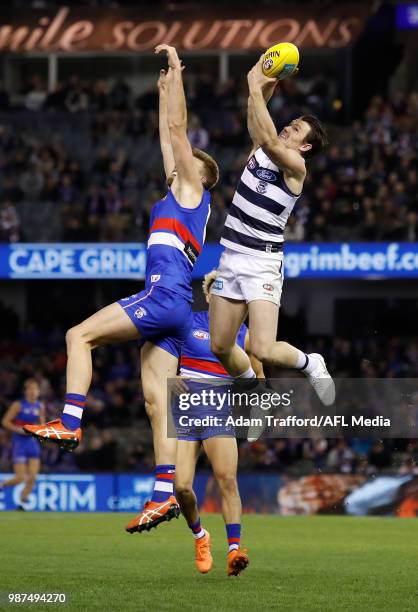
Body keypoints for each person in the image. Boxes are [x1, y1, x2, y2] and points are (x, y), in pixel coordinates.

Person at [24, 45, 219, 533]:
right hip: (179, 309)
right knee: (157, 404)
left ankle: (69, 421)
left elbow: (177, 133)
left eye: (185, 160)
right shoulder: (183, 195)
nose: (175, 161)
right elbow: (165, 136)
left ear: (199, 172)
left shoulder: (193, 186)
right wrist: (160, 95)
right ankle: (161, 494)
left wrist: (176, 77)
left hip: (164, 295)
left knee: (77, 336)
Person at [209, 58, 335, 405]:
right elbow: (257, 114)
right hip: (231, 256)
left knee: (262, 348)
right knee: (220, 345)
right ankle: (254, 389)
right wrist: (268, 78)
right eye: (291, 123)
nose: (288, 128)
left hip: (262, 263)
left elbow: (266, 135)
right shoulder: (262, 149)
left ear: (305, 146)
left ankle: (311, 363)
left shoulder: (296, 166)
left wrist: (255, 83)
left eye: (296, 130)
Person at [173, 270, 264, 576]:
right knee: (181, 487)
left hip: (216, 411)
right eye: (218, 291)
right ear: (209, 295)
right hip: (184, 411)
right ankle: (200, 536)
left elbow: (259, 379)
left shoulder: (242, 333)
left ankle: (234, 549)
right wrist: (169, 381)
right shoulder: (187, 322)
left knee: (227, 480)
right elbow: (159, 358)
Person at [1, 379, 44, 510]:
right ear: (25, 391)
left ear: (38, 391)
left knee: (33, 477)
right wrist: (19, 430)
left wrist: (38, 430)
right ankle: (2, 485)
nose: (33, 391)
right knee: (20, 478)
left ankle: (22, 502)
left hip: (32, 443)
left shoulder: (40, 407)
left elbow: (42, 425)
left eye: (35, 388)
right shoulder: (18, 405)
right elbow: (5, 422)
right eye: (30, 388)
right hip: (19, 443)